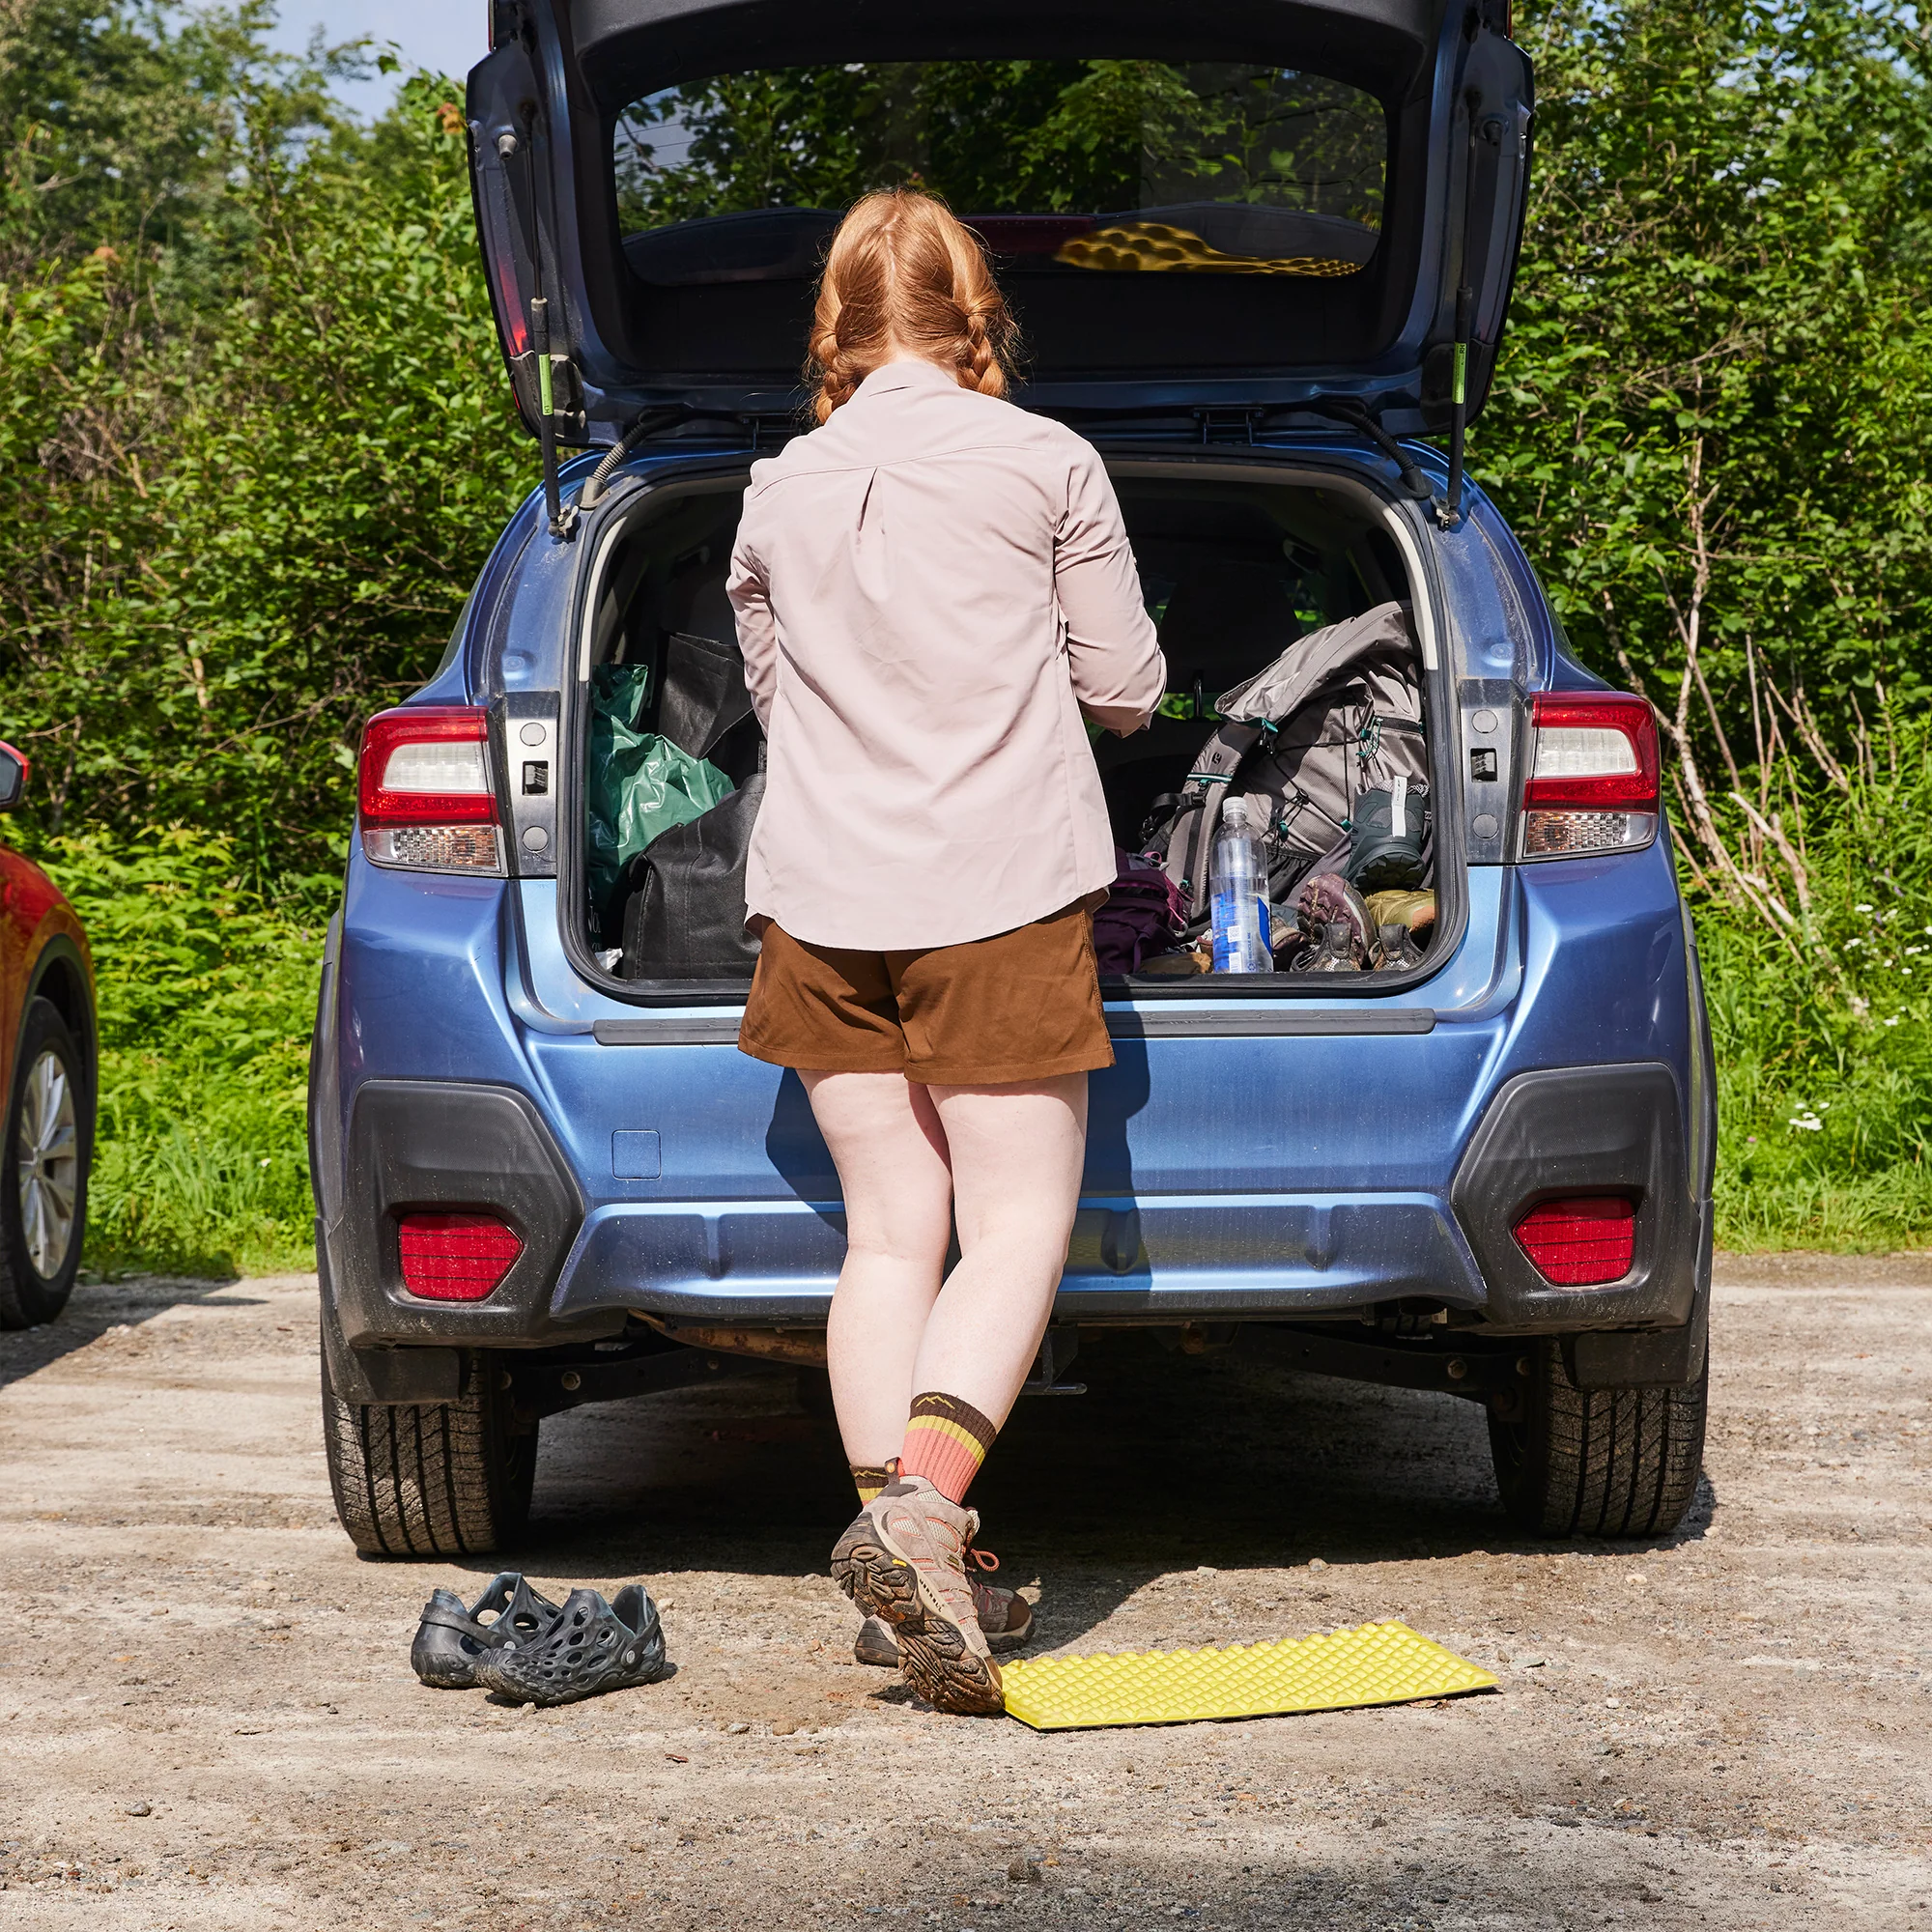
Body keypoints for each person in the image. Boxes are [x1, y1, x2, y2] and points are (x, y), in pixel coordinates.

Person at [727, 189, 1166, 1715]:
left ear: (834, 329)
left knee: (889, 1234)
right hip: (994, 889)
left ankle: (909, 1570)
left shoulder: (777, 487)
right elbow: (1123, 688)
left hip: (822, 898)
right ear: (980, 315)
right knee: (1019, 1225)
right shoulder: (1048, 461)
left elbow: (776, 700)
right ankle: (923, 1512)